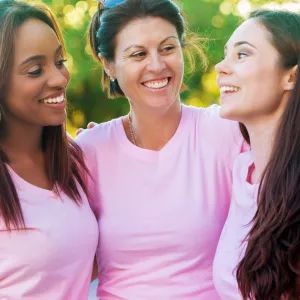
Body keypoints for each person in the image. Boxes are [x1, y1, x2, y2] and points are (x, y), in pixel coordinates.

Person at [75, 0, 245, 298]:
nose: (156, 65)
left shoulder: (226, 131)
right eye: (138, 54)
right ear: (109, 64)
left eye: (167, 48)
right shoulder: (88, 151)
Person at [0, 1, 98, 299]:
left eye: (59, 61)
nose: (59, 79)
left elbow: (74, 267)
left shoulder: (74, 160)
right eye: (34, 70)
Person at [213, 9, 300, 300]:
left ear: (290, 76)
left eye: (242, 55)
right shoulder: (243, 173)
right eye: (226, 55)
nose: (220, 67)